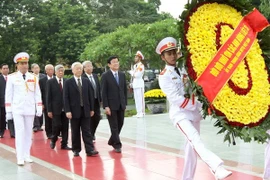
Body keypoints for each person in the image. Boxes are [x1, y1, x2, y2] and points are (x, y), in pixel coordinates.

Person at [156, 37, 232, 180]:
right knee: (195, 140)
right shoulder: (164, 76)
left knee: (191, 149)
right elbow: (176, 99)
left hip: (194, 113)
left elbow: (194, 86)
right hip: (180, 114)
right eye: (168, 54)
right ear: (163, 57)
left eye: (174, 52)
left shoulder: (184, 69)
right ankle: (216, 167)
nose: (172, 56)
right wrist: (197, 105)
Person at [5, 52, 42, 165]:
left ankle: (27, 154)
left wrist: (39, 107)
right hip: (18, 109)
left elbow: (37, 94)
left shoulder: (33, 77)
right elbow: (8, 95)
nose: (24, 65)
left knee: (28, 133)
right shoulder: (12, 78)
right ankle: (19, 157)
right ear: (17, 65)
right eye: (22, 63)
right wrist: (9, 111)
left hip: (29, 108)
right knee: (20, 132)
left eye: (26, 63)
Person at [64, 62, 98, 157]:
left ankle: (90, 149)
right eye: (77, 69)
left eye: (80, 68)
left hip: (86, 109)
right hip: (74, 111)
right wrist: (67, 110)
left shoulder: (86, 81)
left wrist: (91, 109)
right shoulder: (68, 82)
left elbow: (90, 96)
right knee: (75, 131)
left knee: (87, 130)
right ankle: (76, 149)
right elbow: (65, 97)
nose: (79, 70)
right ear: (73, 70)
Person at [101, 56, 127, 153]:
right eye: (114, 62)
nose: (116, 64)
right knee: (114, 125)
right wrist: (106, 106)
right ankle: (117, 144)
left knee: (120, 123)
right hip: (111, 105)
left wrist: (124, 104)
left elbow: (124, 90)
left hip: (121, 104)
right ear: (109, 65)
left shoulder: (122, 75)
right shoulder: (105, 75)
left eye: (117, 62)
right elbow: (103, 92)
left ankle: (112, 140)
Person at [47, 64, 71, 150]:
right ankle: (54, 139)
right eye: (59, 71)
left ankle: (64, 143)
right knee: (57, 125)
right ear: (55, 72)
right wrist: (49, 110)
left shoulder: (67, 81)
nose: (61, 72)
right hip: (55, 108)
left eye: (62, 71)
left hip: (66, 108)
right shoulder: (50, 82)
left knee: (65, 126)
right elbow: (48, 97)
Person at [82, 61, 102, 142]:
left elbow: (98, 88)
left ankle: (92, 133)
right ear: (84, 68)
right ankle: (89, 134)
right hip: (87, 102)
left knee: (97, 118)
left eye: (91, 66)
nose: (90, 67)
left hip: (96, 100)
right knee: (89, 118)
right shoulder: (83, 77)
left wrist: (100, 99)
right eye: (88, 66)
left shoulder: (95, 76)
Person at [39, 64, 54, 139]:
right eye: (49, 69)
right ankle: (49, 133)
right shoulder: (42, 81)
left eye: (52, 69)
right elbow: (40, 93)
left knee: (56, 118)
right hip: (46, 102)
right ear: (46, 71)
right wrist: (42, 103)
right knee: (48, 118)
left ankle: (56, 132)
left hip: (55, 102)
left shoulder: (56, 79)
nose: (51, 71)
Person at [129, 51, 145, 118]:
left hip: (139, 84)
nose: (135, 58)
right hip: (135, 84)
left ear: (139, 58)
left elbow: (137, 75)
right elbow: (133, 77)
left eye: (136, 57)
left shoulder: (141, 66)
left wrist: (131, 72)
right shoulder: (135, 66)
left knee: (140, 99)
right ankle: (138, 112)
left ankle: (142, 112)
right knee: (136, 99)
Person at [31, 63, 46, 132]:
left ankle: (40, 125)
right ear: (32, 69)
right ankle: (35, 126)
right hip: (33, 96)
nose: (36, 69)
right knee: (34, 110)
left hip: (42, 95)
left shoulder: (43, 76)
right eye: (35, 68)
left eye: (38, 68)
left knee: (41, 110)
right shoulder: (30, 76)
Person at [0, 64, 11, 138]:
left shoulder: (12, 78)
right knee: (2, 117)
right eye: (4, 68)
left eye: (7, 68)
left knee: (12, 118)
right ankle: (1, 132)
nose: (6, 70)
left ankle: (13, 133)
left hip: (11, 102)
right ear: (0, 70)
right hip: (1, 101)